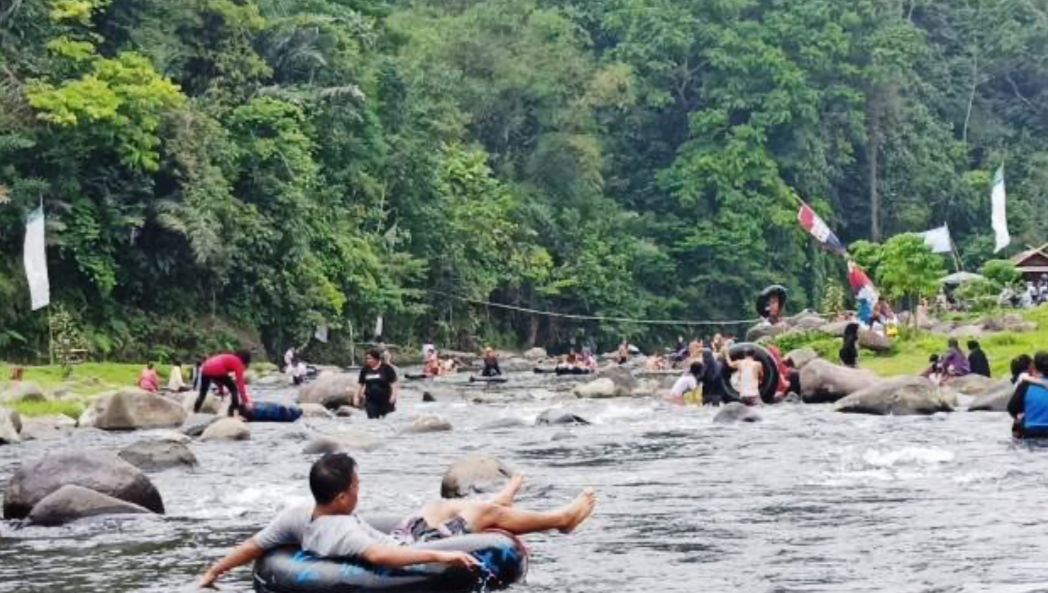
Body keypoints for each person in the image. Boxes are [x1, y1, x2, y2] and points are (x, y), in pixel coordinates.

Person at [198, 453, 597, 588]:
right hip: (410, 545)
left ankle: (504, 497)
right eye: (356, 485)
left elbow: (254, 546)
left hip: (406, 533)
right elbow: (380, 556)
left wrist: (212, 572)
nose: (360, 488)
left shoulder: (298, 516)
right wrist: (442, 558)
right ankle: (560, 519)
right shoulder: (342, 531)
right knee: (478, 515)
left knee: (437, 506)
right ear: (341, 497)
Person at [194, 351, 252, 418]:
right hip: (217, 369)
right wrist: (246, 401)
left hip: (205, 368)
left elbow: (217, 378)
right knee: (234, 389)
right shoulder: (238, 362)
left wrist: (221, 391)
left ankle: (195, 410)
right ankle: (232, 411)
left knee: (203, 393)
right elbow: (240, 384)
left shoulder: (228, 357)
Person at [1007, 352, 1048, 438]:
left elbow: (1011, 408)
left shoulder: (1025, 385)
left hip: (1030, 431)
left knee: (1018, 422)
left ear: (1034, 367)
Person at [354, 348, 398, 419]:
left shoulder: (387, 368)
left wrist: (393, 396)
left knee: (385, 420)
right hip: (371, 400)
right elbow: (360, 384)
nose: (368, 361)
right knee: (372, 419)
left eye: (370, 358)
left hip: (385, 399)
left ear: (376, 359)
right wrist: (356, 397)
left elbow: (393, 384)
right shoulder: (365, 369)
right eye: (367, 359)